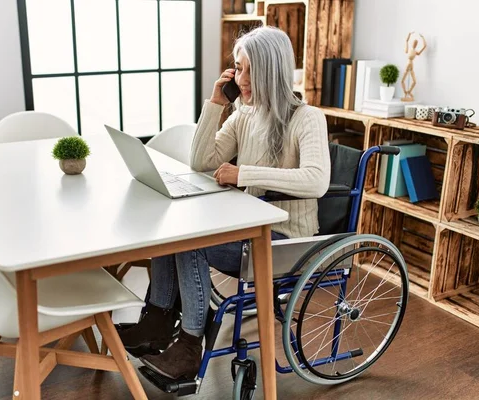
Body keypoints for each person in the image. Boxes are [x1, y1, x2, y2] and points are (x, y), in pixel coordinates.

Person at [119, 26, 331, 380]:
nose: (239, 77)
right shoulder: (245, 114)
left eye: (246, 69)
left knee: (192, 243)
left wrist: (243, 173)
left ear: (268, 70)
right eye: (236, 68)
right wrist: (216, 103)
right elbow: (201, 162)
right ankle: (157, 319)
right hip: (247, 226)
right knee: (172, 230)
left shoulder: (307, 118)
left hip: (283, 240)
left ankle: (189, 344)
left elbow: (316, 180)